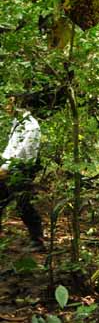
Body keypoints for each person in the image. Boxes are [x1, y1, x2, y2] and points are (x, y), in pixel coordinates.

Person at [0, 94, 44, 250]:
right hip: (9, 167)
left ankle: (37, 240)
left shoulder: (31, 126)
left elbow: (24, 153)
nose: (5, 107)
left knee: (23, 204)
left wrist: (6, 169)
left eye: (8, 103)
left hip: (21, 170)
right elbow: (11, 147)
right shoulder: (17, 122)